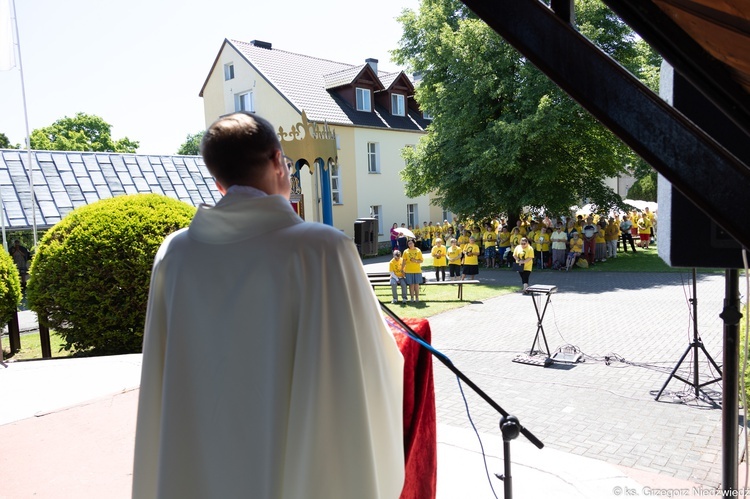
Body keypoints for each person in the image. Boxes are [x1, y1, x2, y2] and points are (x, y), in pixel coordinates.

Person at [132, 112, 405, 499]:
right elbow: (360, 371)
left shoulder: (174, 253)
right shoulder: (321, 249)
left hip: (199, 463)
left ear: (218, 181)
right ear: (279, 161)